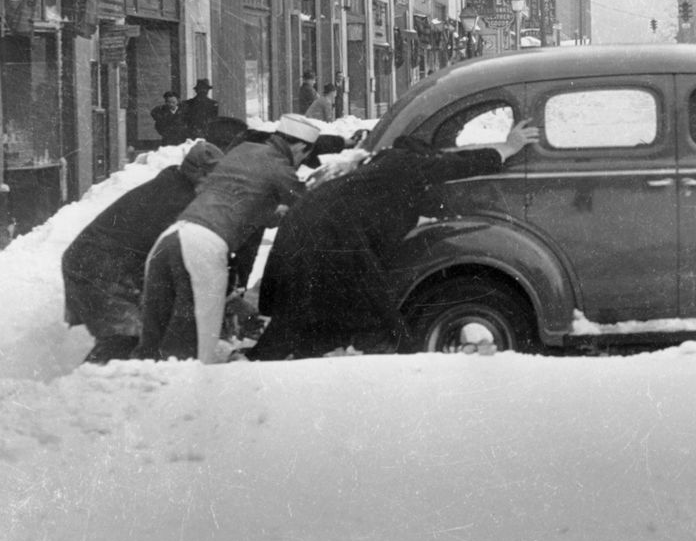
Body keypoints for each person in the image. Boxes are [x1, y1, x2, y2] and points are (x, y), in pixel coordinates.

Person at [249, 116, 539, 359]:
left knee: (301, 308)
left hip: (308, 223)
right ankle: (405, 361)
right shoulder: (406, 164)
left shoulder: (381, 170)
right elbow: (456, 165)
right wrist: (507, 148)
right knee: (375, 312)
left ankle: (260, 361)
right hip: (333, 234)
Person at [137, 113, 321, 363]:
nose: (299, 164)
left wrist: (268, 212)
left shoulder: (243, 150)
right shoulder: (280, 166)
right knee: (192, 355)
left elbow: (234, 197)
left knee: (152, 345)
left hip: (172, 237)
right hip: (202, 248)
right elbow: (308, 204)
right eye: (303, 157)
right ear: (299, 147)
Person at [61, 141, 224, 363]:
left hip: (99, 260)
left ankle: (104, 382)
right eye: (213, 180)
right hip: (96, 264)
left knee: (138, 332)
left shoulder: (174, 184)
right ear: (200, 174)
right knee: (127, 334)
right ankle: (85, 387)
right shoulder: (176, 199)